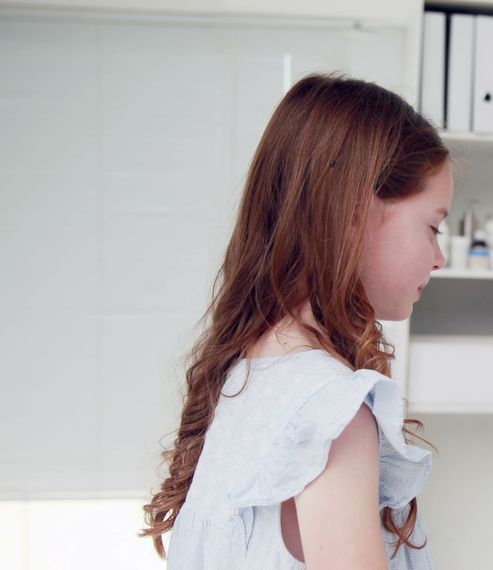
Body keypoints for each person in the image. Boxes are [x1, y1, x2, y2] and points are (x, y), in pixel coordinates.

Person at [141, 74, 453, 569]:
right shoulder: (332, 414)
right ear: (355, 212)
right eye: (433, 226)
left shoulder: (244, 379)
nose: (439, 258)